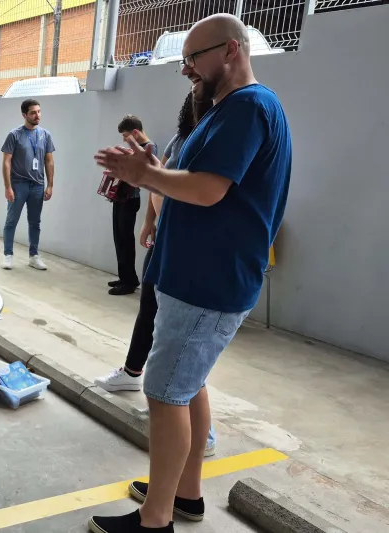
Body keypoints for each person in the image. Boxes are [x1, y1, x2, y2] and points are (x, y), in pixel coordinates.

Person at [91, 14, 291, 533]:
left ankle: (154, 520)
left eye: (191, 59)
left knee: (164, 392)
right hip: (194, 277)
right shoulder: (226, 109)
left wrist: (146, 174)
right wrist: (154, 169)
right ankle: (185, 493)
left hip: (210, 282)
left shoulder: (248, 106)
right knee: (187, 385)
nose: (185, 70)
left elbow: (209, 189)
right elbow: (195, 180)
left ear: (229, 51)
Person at [96, 94, 218, 457]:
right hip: (164, 241)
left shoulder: (217, 140)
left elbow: (203, 193)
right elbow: (159, 183)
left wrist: (147, 176)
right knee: (151, 312)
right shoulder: (181, 139)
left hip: (190, 253)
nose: (194, 92)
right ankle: (133, 373)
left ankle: (201, 434)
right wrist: (149, 221)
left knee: (184, 350)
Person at [0, 98, 55, 271]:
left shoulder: (45, 135)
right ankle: (8, 255)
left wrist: (50, 185)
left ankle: (33, 256)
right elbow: (6, 162)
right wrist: (8, 187)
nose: (37, 115)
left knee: (35, 222)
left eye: (39, 111)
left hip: (38, 185)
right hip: (18, 184)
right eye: (33, 112)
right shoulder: (15, 135)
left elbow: (49, 161)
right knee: (11, 221)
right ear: (24, 115)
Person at [108, 115, 157, 296]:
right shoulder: (134, 149)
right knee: (119, 238)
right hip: (121, 197)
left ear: (135, 133)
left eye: (125, 136)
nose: (124, 140)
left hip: (130, 199)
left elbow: (143, 176)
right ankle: (125, 277)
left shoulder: (149, 148)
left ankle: (129, 282)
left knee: (126, 240)